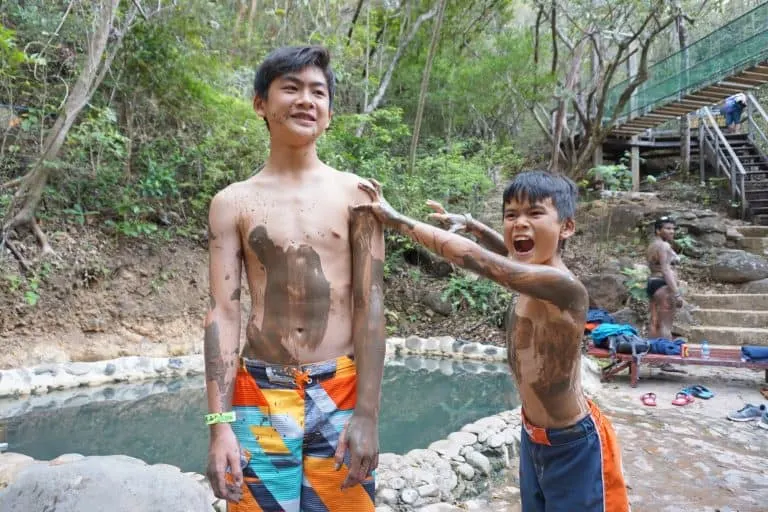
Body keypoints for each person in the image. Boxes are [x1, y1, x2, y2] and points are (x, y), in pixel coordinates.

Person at [355, 171, 629, 512]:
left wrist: (398, 221)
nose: (519, 224)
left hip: (574, 444)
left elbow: (486, 262)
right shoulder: (531, 271)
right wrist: (475, 225)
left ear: (567, 227)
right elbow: (506, 257)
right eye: (511, 215)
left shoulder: (564, 288)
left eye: (534, 213)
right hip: (534, 437)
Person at [204, 45, 385, 512]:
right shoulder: (232, 202)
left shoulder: (358, 194)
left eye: (318, 92)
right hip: (260, 390)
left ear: (329, 113)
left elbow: (371, 305)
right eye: (291, 87)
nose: (306, 99)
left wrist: (368, 412)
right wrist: (219, 425)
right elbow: (224, 312)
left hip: (341, 386)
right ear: (260, 103)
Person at [646, 216, 682, 339]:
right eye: (667, 228)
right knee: (665, 325)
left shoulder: (652, 245)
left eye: (673, 228)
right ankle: (666, 355)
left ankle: (650, 355)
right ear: (658, 230)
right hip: (663, 286)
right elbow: (666, 270)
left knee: (654, 322)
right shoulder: (664, 246)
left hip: (652, 284)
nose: (672, 231)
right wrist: (676, 294)